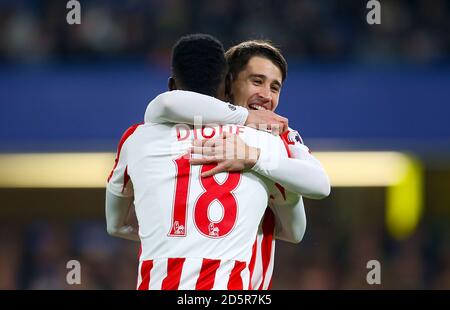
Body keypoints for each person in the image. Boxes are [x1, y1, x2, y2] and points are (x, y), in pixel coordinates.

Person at [105, 34, 313, 290]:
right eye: (256, 81)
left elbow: (114, 223)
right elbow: (296, 230)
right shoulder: (261, 144)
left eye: (274, 86)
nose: (265, 94)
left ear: (171, 84)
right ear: (228, 85)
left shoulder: (137, 138)